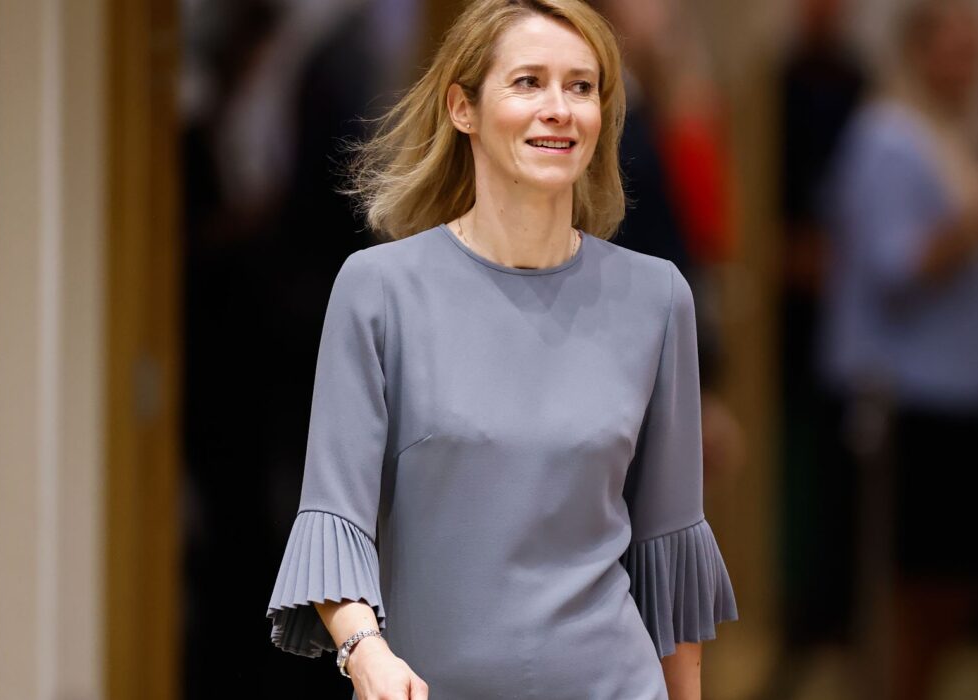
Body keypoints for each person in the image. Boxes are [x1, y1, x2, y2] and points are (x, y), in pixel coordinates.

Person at [262, 1, 739, 698]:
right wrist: (366, 655)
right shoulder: (379, 291)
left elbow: (669, 557)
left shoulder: (657, 298)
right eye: (528, 82)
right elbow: (335, 518)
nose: (559, 108)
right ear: (464, 108)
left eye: (581, 87)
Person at [816, 1, 978, 698]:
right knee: (907, 584)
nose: (968, 67)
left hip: (959, 390)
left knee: (951, 582)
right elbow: (895, 268)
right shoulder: (890, 136)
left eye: (975, 51)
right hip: (906, 394)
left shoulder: (956, 132)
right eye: (953, 49)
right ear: (916, 53)